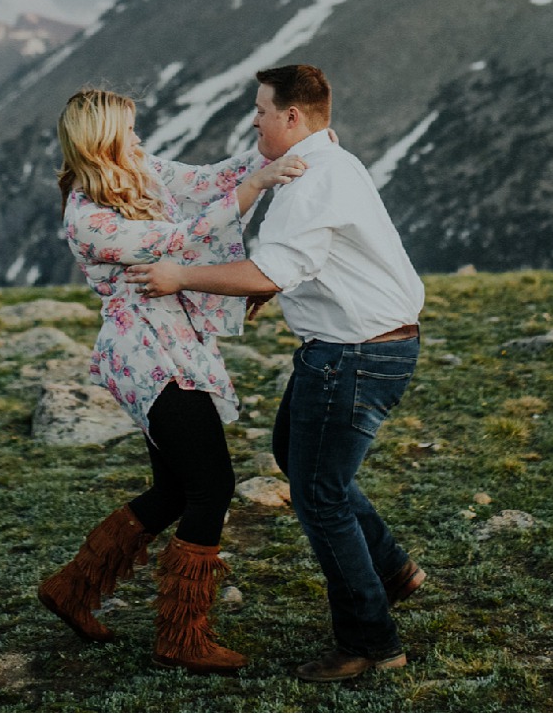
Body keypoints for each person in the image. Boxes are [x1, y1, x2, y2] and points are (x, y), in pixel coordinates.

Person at [125, 63, 427, 684]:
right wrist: (276, 286)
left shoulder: (315, 177)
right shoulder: (330, 161)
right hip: (364, 345)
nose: (254, 120)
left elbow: (270, 269)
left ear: (293, 117)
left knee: (318, 496)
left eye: (262, 110)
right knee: (296, 455)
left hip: (353, 354)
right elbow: (304, 259)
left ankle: (371, 643)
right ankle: (392, 568)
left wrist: (178, 276)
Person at [37, 85, 311, 674]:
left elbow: (205, 181)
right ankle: (182, 635)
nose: (138, 139)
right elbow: (179, 242)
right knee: (211, 485)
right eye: (128, 130)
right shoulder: (87, 217)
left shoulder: (139, 171)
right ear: (103, 137)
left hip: (177, 349)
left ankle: (73, 589)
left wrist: (275, 150)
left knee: (176, 489)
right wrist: (254, 189)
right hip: (146, 358)